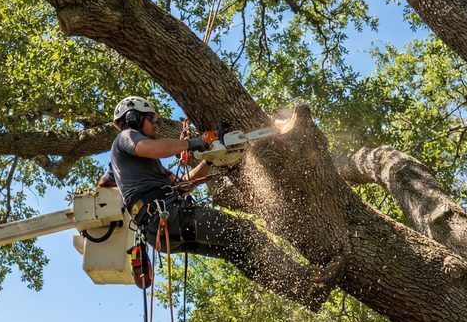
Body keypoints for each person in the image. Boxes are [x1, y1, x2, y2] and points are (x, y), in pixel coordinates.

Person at [101, 96, 328, 306]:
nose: (156, 125)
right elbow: (151, 148)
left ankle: (304, 293)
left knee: (237, 251)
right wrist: (195, 142)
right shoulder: (126, 137)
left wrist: (209, 160)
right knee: (244, 232)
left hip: (163, 231)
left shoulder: (149, 170)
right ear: (133, 118)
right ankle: (310, 280)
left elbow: (184, 184)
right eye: (152, 119)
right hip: (168, 218)